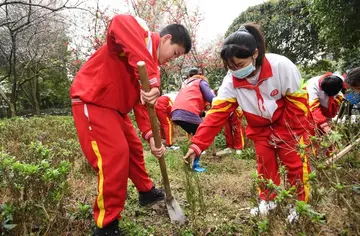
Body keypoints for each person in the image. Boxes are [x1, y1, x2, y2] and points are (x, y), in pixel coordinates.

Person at [70, 14, 191, 235]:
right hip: (93, 100)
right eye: (175, 53)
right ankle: (106, 225)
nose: (172, 60)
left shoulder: (150, 69)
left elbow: (143, 106)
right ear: (165, 39)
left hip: (116, 110)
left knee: (134, 148)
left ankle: (146, 192)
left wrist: (151, 137)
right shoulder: (141, 36)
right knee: (114, 155)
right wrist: (152, 79)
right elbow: (118, 22)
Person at [183, 23, 310, 222]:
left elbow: (299, 105)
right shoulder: (231, 81)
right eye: (230, 67)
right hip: (259, 129)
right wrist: (197, 145)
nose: (235, 71)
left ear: (255, 54)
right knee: (265, 166)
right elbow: (217, 115)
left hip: (288, 125)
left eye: (239, 65)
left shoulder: (281, 67)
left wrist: (284, 134)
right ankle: (268, 200)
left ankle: (300, 205)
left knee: (295, 164)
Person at [171, 68, 215, 172]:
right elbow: (211, 97)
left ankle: (190, 158)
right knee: (203, 134)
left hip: (176, 113)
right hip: (188, 112)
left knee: (196, 134)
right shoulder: (201, 81)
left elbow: (191, 102)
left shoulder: (186, 85)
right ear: (201, 74)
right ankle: (194, 165)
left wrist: (203, 112)